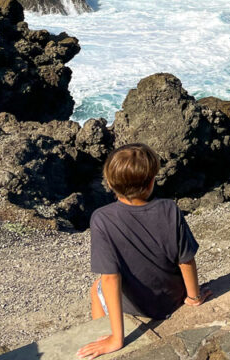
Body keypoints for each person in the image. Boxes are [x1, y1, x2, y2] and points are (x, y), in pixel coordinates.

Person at [78, 143, 210, 359]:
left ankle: (106, 336)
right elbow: (186, 260)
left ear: (110, 184)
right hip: (173, 300)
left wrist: (117, 339)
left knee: (97, 288)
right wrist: (194, 297)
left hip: (138, 309)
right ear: (151, 182)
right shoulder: (170, 209)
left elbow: (110, 278)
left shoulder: (102, 219)